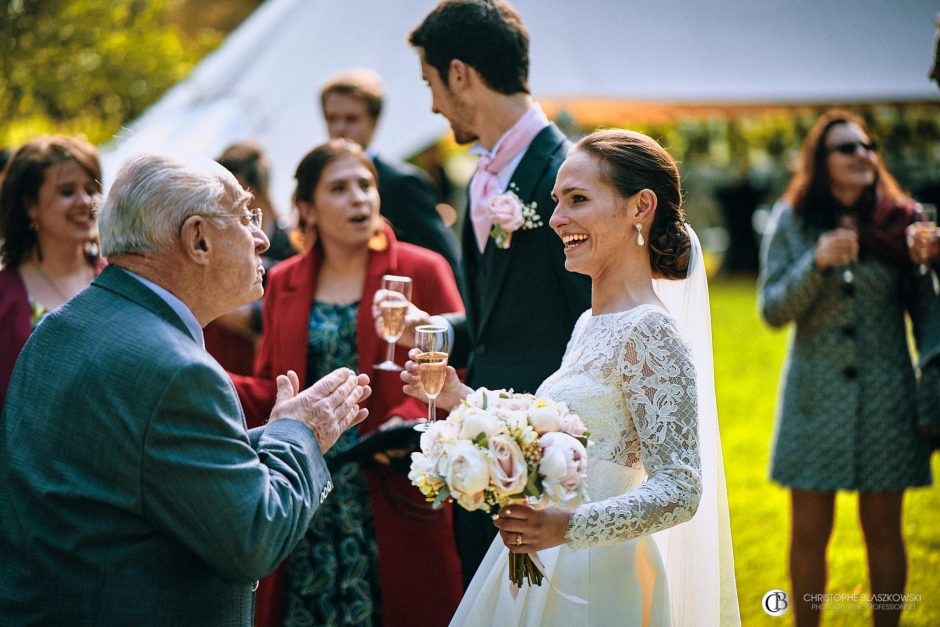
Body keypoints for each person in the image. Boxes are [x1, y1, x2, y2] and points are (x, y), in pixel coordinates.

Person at [0, 153, 372, 625]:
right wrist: (301, 435)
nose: (261, 238)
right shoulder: (177, 370)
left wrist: (277, 432)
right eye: (245, 216)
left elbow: (139, 463)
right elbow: (254, 537)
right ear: (197, 239)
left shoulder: (63, 324)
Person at [401, 129, 739, 626]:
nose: (558, 218)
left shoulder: (651, 332)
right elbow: (564, 435)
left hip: (596, 577)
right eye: (557, 202)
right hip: (544, 560)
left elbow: (680, 488)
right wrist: (463, 401)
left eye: (578, 199)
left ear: (640, 207)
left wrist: (569, 527)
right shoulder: (589, 322)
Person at [233, 139, 464, 627]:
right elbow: (270, 386)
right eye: (339, 188)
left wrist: (403, 428)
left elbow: (456, 372)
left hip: (392, 486)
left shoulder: (424, 268)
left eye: (366, 185)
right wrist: (200, 377)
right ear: (306, 209)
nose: (359, 198)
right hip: (306, 493)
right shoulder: (282, 281)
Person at [407, 0, 592, 585]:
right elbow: (496, 321)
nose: (434, 104)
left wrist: (548, 452)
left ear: (459, 73)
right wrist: (436, 329)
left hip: (546, 464)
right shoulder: (486, 173)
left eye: (432, 83)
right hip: (482, 448)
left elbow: (594, 326)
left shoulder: (567, 176)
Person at [758, 110, 932, 627]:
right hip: (813, 400)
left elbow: (929, 316)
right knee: (808, 533)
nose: (863, 155)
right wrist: (816, 263)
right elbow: (772, 310)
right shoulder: (792, 221)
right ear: (820, 161)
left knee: (885, 531)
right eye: (847, 147)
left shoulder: (906, 222)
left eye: (868, 146)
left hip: (888, 398)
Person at [320, 68, 461, 280]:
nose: (340, 128)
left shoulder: (403, 183)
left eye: (351, 119)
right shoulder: (318, 180)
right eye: (332, 119)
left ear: (374, 122)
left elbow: (444, 261)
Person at [0, 135, 103, 414]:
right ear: (30, 205)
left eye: (91, 189)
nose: (85, 201)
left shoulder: (122, 278)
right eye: (67, 191)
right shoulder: (4, 295)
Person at [205, 141, 298, 375]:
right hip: (214, 353)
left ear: (258, 188)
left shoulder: (288, 242)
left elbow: (285, 312)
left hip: (257, 362)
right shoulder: (211, 236)